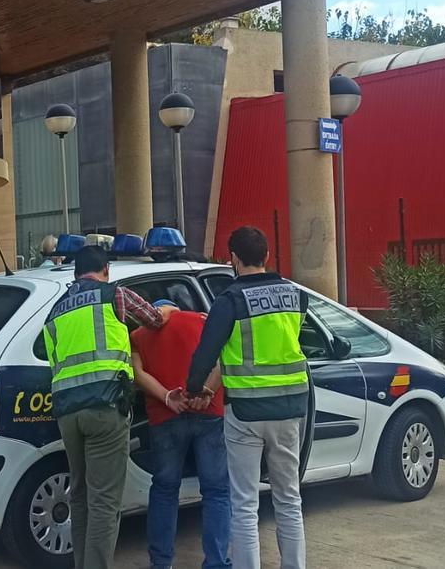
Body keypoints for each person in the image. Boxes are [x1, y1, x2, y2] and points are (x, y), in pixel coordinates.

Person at [39, 245, 174, 569]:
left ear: (74, 274)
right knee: (104, 503)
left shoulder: (54, 311)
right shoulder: (116, 295)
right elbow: (154, 320)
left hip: (68, 414)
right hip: (105, 407)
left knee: (81, 496)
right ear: (106, 270)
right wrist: (170, 310)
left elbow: (49, 355)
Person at [185, 226, 309, 569]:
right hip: (288, 409)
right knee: (289, 499)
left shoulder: (230, 301)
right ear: (267, 256)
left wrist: (194, 389)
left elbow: (206, 353)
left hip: (246, 412)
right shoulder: (295, 295)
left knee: (244, 504)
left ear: (233, 260)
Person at [129, 299, 230, 569]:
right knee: (216, 491)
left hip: (166, 417)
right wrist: (204, 392)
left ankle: (161, 563)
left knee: (164, 489)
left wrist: (167, 397)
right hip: (208, 413)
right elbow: (225, 357)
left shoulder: (138, 335)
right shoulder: (202, 321)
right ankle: (217, 563)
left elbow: (136, 374)